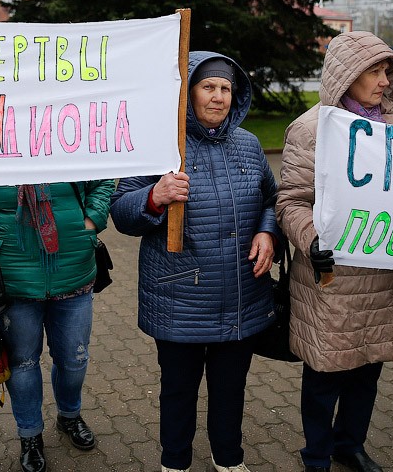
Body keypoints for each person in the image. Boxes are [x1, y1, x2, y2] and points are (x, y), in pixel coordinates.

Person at [110, 51, 280, 472]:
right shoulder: (160, 144)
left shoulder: (249, 144)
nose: (219, 96)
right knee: (179, 390)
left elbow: (272, 200)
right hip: (180, 296)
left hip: (241, 293)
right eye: (208, 87)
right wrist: (154, 196)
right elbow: (121, 213)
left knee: (230, 388)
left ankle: (229, 459)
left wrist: (267, 232)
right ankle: (175, 462)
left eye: (226, 88)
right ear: (188, 93)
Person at [276, 31, 393, 472]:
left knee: (369, 366)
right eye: (374, 71)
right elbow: (291, 201)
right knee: (326, 374)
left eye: (387, 72)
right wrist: (311, 240)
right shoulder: (310, 130)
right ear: (346, 75)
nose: (383, 81)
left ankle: (351, 444)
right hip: (333, 278)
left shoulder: (392, 130)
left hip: (384, 275)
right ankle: (317, 453)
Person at [0, 180, 113, 472]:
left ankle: (69, 415)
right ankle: (30, 435)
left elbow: (104, 179)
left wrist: (90, 221)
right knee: (22, 362)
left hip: (73, 269)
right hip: (11, 278)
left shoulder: (70, 135)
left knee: (75, 358)